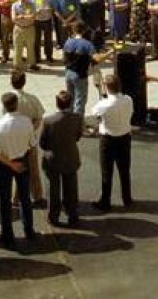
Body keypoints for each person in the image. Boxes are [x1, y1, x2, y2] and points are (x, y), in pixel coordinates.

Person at [0, 92, 37, 246]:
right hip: (22, 160)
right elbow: (32, 143)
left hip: (5, 163)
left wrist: (10, 164)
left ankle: (7, 234)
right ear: (17, 104)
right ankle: (29, 229)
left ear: (3, 106)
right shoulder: (26, 122)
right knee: (24, 198)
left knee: (5, 199)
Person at [39, 90, 83, 227]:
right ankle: (72, 214)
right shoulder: (77, 118)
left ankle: (53, 216)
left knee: (53, 189)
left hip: (53, 159)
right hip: (70, 157)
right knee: (71, 188)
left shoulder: (48, 121)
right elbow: (77, 136)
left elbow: (42, 143)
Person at [91, 73, 134, 211]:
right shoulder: (128, 99)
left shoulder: (103, 104)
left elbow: (94, 114)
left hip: (108, 140)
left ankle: (105, 201)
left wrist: (102, 96)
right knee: (125, 170)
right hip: (125, 137)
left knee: (106, 172)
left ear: (106, 87)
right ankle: (127, 198)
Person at [10, 70, 46, 203]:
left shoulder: (8, 99)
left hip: (14, 139)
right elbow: (39, 117)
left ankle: (15, 197)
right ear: (24, 83)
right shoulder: (32, 99)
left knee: (17, 168)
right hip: (30, 140)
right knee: (33, 169)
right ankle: (37, 195)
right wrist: (31, 129)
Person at [61, 23, 105, 117]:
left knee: (70, 99)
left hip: (68, 73)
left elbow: (63, 59)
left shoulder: (68, 42)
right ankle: (78, 125)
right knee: (80, 101)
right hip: (80, 75)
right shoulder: (87, 44)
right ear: (84, 31)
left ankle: (69, 121)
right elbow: (97, 59)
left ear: (74, 30)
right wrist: (110, 53)